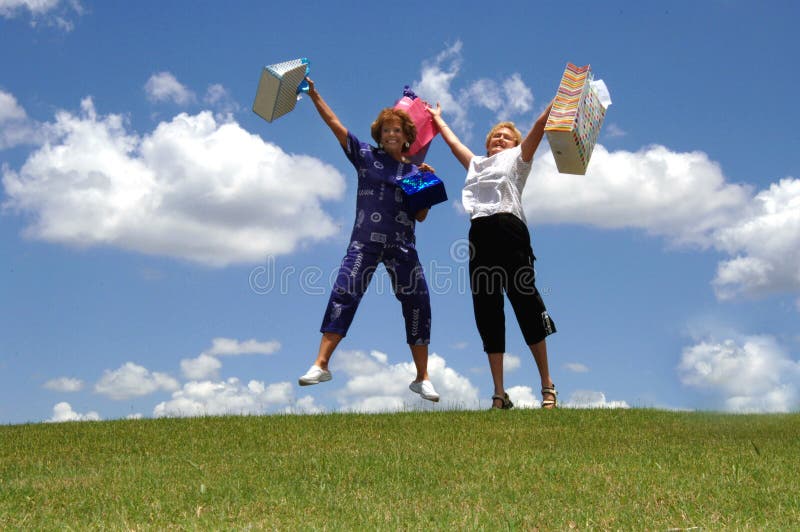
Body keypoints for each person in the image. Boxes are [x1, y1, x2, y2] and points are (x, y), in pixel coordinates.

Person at [297, 77, 440, 402]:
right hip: (365, 242)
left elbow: (421, 216)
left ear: (407, 137)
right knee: (345, 291)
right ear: (379, 134)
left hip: (403, 246)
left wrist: (427, 185)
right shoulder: (365, 156)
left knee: (418, 301)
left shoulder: (417, 172)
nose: (391, 134)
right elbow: (335, 125)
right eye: (386, 129)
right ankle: (321, 364)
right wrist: (316, 96)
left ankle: (422, 377)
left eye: (397, 130)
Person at [427, 100, 557, 409]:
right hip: (479, 236)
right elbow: (452, 141)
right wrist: (436, 118)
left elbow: (539, 127)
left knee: (526, 304)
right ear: (487, 144)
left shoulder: (518, 159)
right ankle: (499, 393)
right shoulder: (476, 164)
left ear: (515, 144)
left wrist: (557, 100)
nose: (499, 139)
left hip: (510, 230)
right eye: (495, 136)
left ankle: (547, 387)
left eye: (506, 136)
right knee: (488, 312)